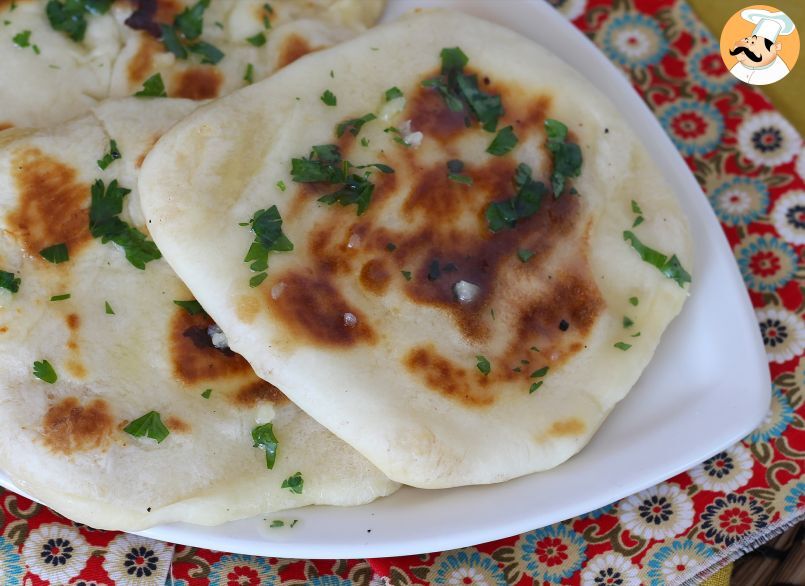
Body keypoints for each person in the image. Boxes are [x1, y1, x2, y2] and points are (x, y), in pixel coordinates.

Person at [728, 9, 796, 85]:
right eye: (747, 40)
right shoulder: (738, 67)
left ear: (776, 47)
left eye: (753, 43)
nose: (747, 45)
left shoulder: (779, 71)